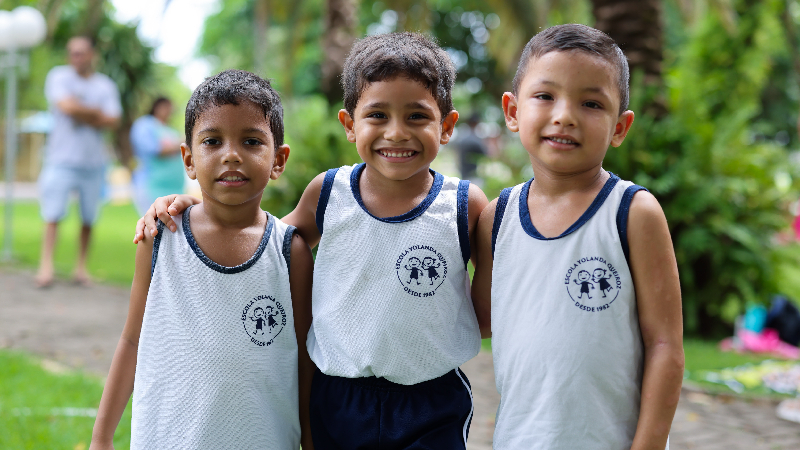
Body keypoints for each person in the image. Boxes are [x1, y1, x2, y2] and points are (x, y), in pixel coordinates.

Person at [135, 32, 490, 449]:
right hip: (338, 399)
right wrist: (193, 206)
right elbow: (260, 242)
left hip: (432, 402)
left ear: (446, 126)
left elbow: (484, 319)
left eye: (416, 116)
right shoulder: (329, 194)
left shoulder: (464, 206)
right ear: (350, 125)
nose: (396, 132)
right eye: (377, 115)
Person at [471, 24, 683, 449]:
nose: (565, 115)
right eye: (545, 96)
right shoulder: (498, 218)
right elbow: (479, 321)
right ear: (512, 111)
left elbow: (664, 345)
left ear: (619, 127)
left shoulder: (633, 213)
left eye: (591, 103)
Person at [89, 70, 315, 450]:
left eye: (251, 141)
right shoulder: (161, 238)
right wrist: (101, 438)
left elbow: (305, 365)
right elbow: (131, 340)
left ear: (278, 160)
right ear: (189, 160)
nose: (231, 154)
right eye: (212, 141)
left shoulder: (290, 252)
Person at [36, 36, 121, 288]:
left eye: (81, 53)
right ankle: (45, 267)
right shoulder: (58, 76)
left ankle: (81, 268)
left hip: (93, 163)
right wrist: (95, 113)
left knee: (88, 218)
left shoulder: (105, 85)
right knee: (52, 214)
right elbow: (67, 107)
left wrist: (79, 110)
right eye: (73, 53)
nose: (77, 57)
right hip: (60, 159)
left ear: (92, 54)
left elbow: (113, 120)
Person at [130, 97, 184, 215]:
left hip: (174, 188)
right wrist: (180, 144)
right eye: (167, 107)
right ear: (158, 107)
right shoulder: (144, 124)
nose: (170, 111)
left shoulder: (170, 129)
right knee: (153, 222)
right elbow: (152, 149)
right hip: (151, 186)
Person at [455, 112, 487, 181]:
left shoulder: (462, 137)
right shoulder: (475, 139)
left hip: (463, 173)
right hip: (473, 175)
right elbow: (486, 154)